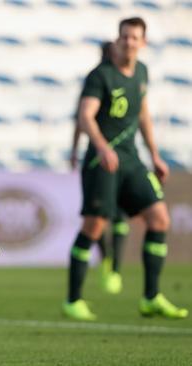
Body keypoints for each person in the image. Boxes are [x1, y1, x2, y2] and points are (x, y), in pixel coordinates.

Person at [63, 17, 188, 321]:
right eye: (124, 37)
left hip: (131, 159)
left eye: (134, 38)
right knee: (93, 228)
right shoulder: (100, 75)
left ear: (142, 43)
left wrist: (155, 155)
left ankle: (151, 297)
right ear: (117, 40)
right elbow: (86, 115)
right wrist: (102, 147)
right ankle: (73, 300)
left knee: (159, 219)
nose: (128, 42)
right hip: (101, 161)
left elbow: (143, 114)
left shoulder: (141, 72)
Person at [69, 41, 129, 295]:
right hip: (98, 159)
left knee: (119, 215)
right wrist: (75, 149)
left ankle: (113, 265)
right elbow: (82, 119)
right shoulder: (97, 80)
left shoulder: (120, 79)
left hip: (122, 156)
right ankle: (108, 262)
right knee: (100, 218)